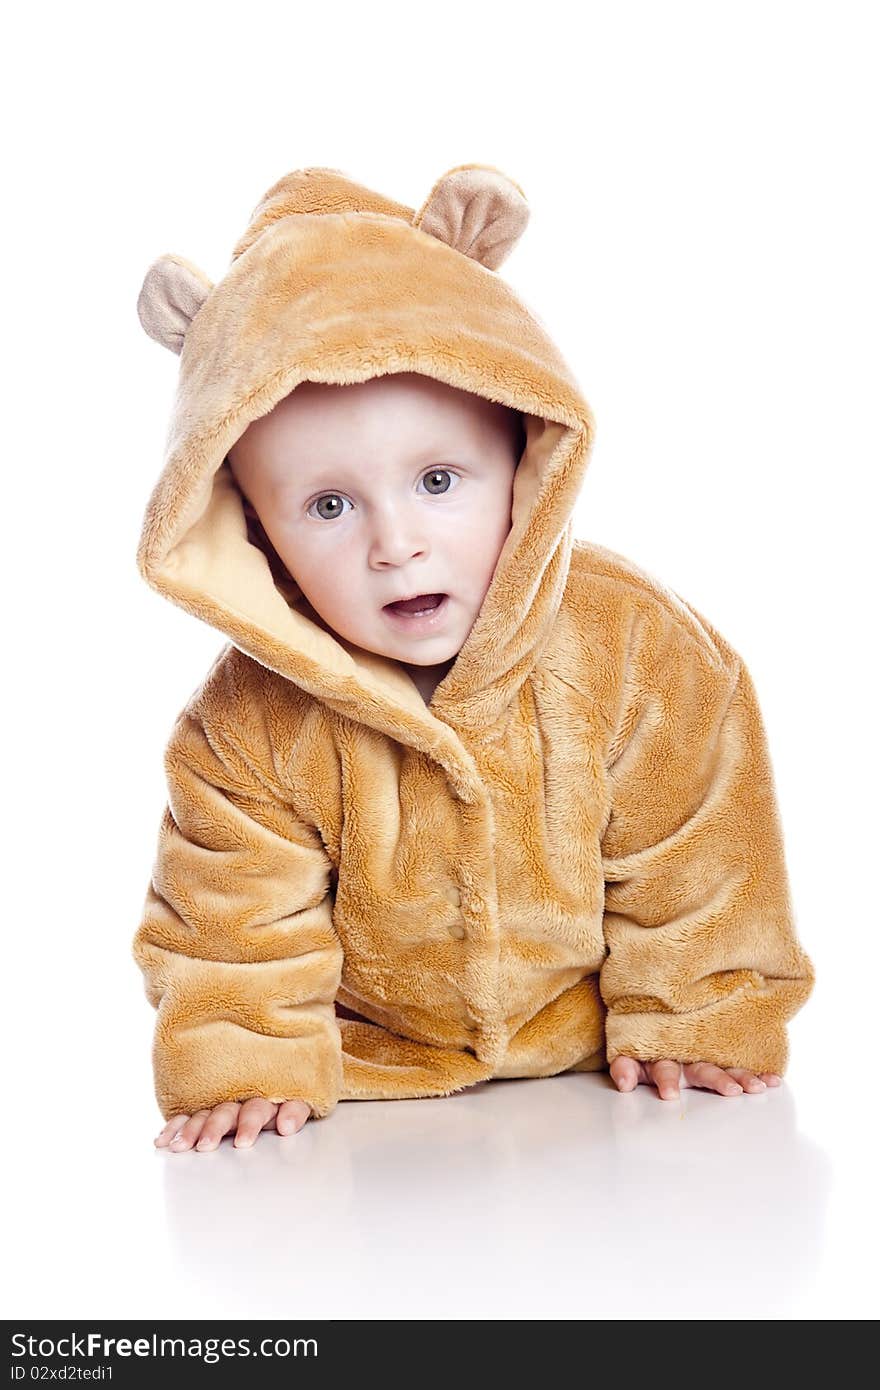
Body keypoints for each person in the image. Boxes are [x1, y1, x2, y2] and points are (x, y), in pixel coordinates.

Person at [132, 162, 815, 1153]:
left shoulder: (637, 649)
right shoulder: (245, 724)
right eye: (328, 506)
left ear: (520, 464)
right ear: (254, 532)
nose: (393, 543)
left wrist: (695, 1016)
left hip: (592, 1062)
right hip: (373, 1060)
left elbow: (701, 858)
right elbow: (231, 920)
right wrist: (245, 1060)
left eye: (438, 479)